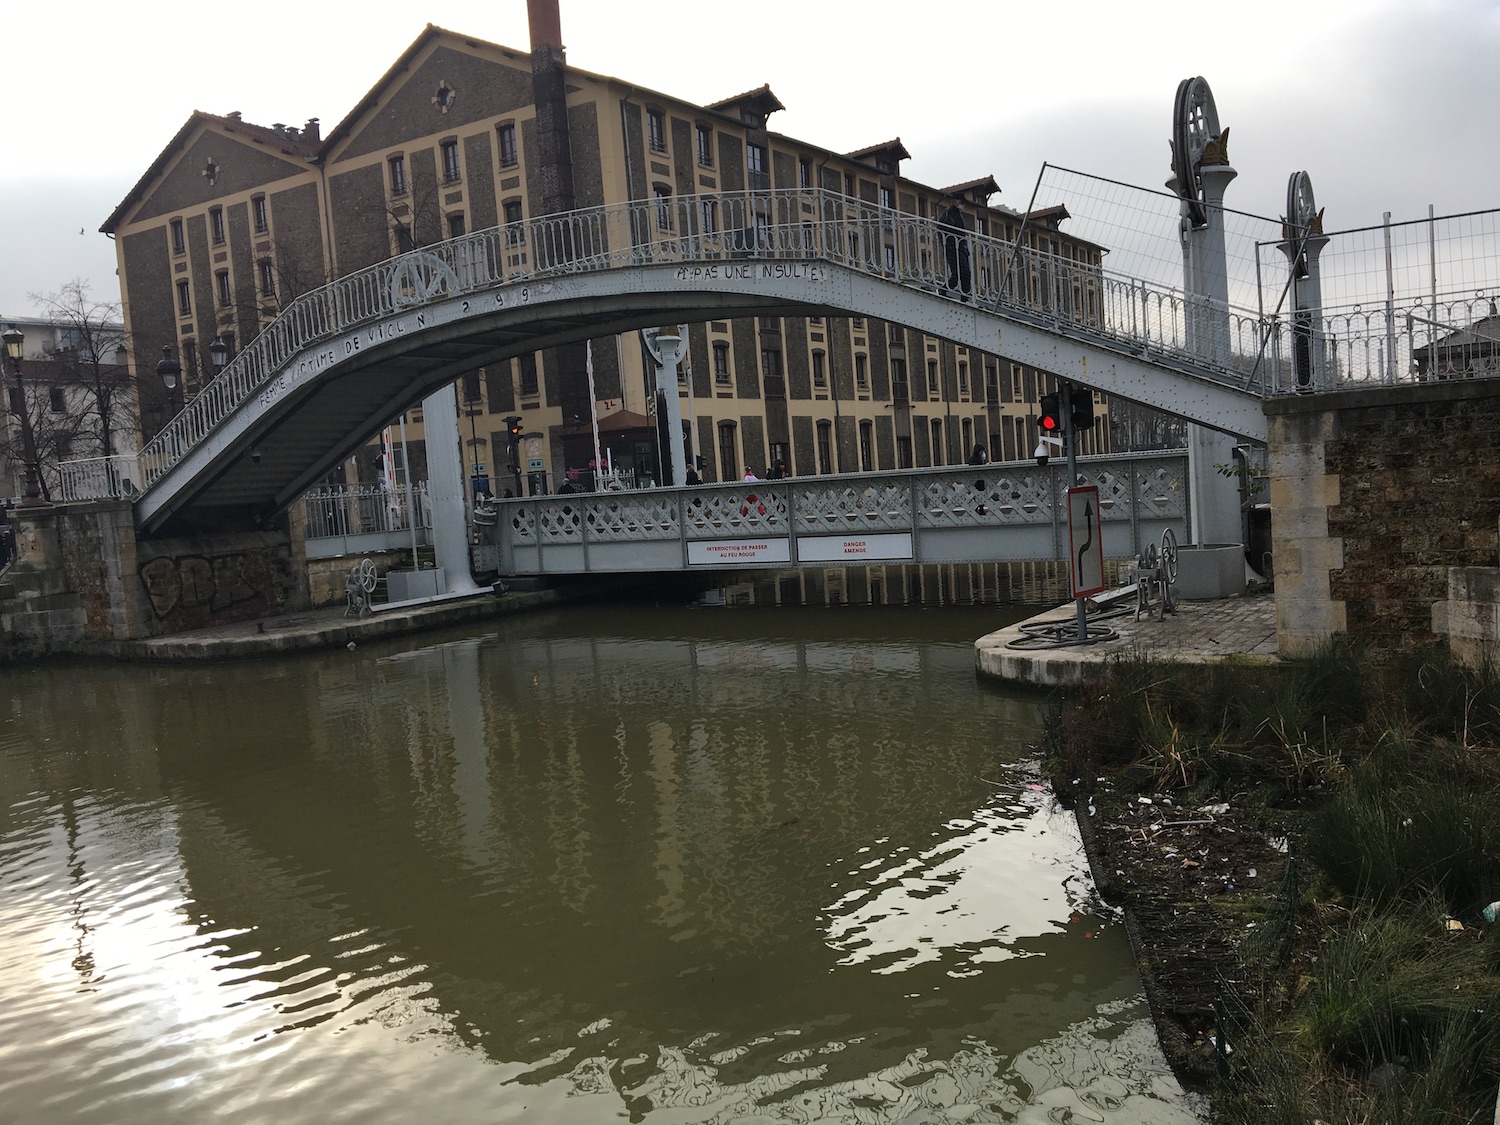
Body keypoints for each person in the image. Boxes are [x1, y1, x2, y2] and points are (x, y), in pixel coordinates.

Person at [938, 195, 972, 300]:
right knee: (958, 273)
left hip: (959, 247)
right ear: (955, 201)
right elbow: (941, 229)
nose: (963, 205)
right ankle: (944, 290)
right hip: (953, 248)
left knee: (965, 272)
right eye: (961, 202)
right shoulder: (948, 213)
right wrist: (949, 245)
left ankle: (965, 296)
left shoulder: (957, 214)